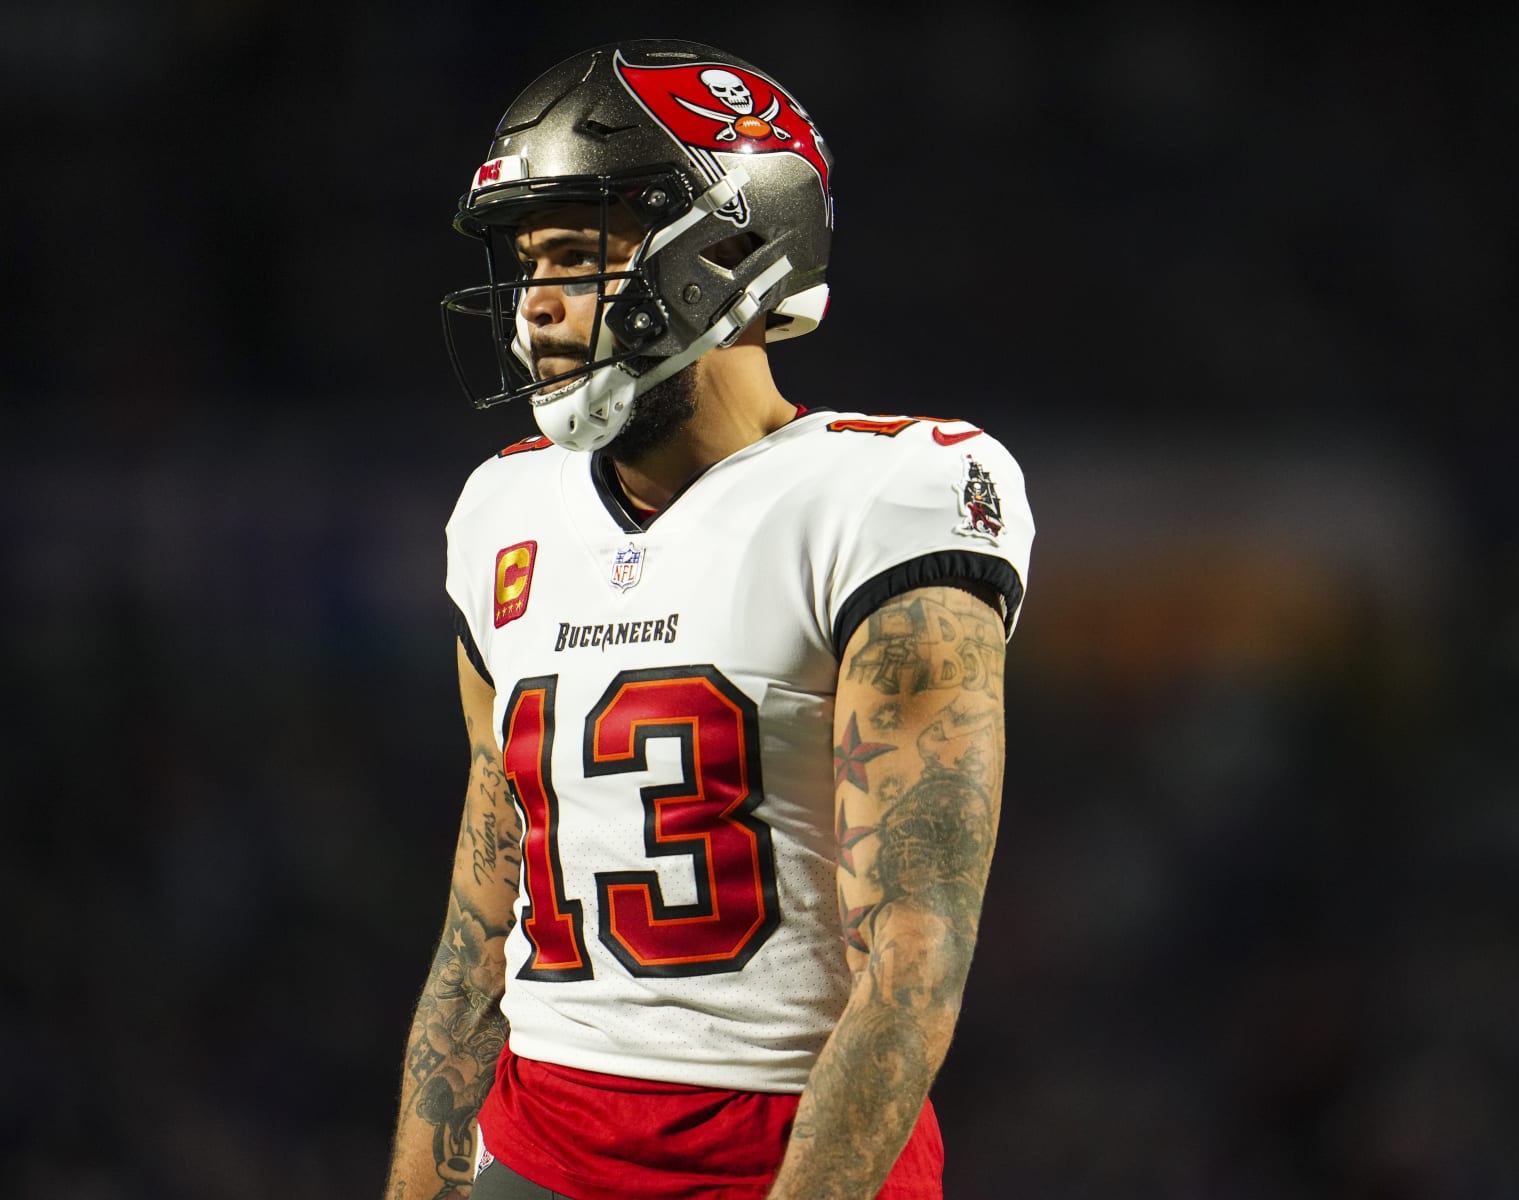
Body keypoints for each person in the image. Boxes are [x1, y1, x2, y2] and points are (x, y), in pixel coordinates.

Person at [383, 38, 1034, 1200]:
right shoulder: (503, 509)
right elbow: (479, 931)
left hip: (785, 1159)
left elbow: (914, 965)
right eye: (528, 262)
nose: (536, 306)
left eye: (578, 255)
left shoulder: (887, 498)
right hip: (538, 1152)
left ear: (732, 246)